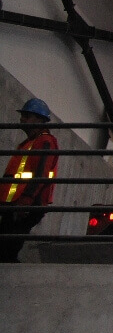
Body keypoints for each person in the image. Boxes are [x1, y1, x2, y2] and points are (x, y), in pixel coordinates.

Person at [1, 98, 59, 262]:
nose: (22, 119)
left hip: (26, 204)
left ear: (40, 120)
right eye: (23, 116)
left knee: (7, 249)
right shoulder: (29, 143)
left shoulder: (45, 142)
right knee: (6, 247)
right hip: (15, 203)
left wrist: (26, 200)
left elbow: (40, 174)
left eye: (27, 116)